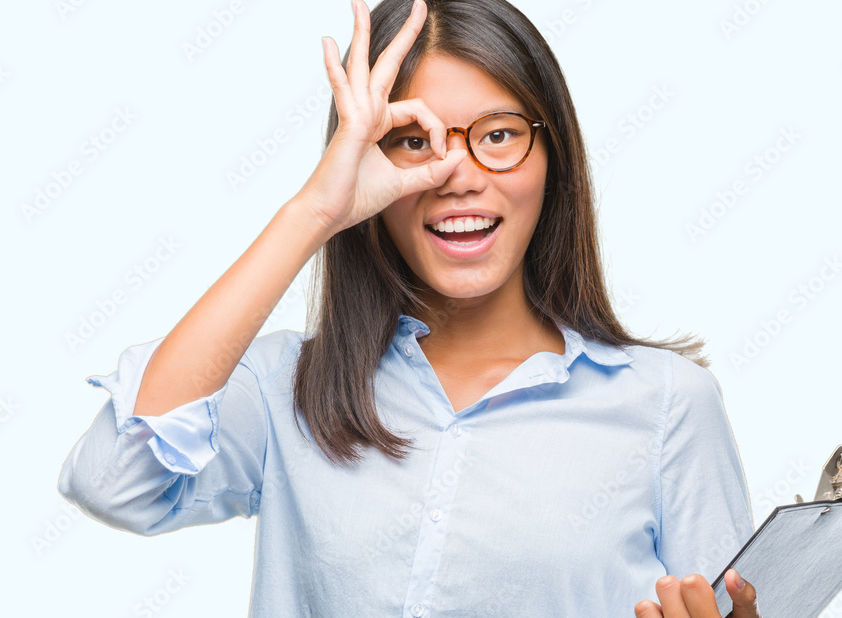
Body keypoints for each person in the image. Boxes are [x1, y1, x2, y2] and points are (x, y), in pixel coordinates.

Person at [57, 0, 763, 615]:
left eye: (497, 136)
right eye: (411, 142)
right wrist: (314, 212)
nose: (456, 176)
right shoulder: (287, 391)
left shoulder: (667, 404)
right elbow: (114, 478)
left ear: (553, 156)